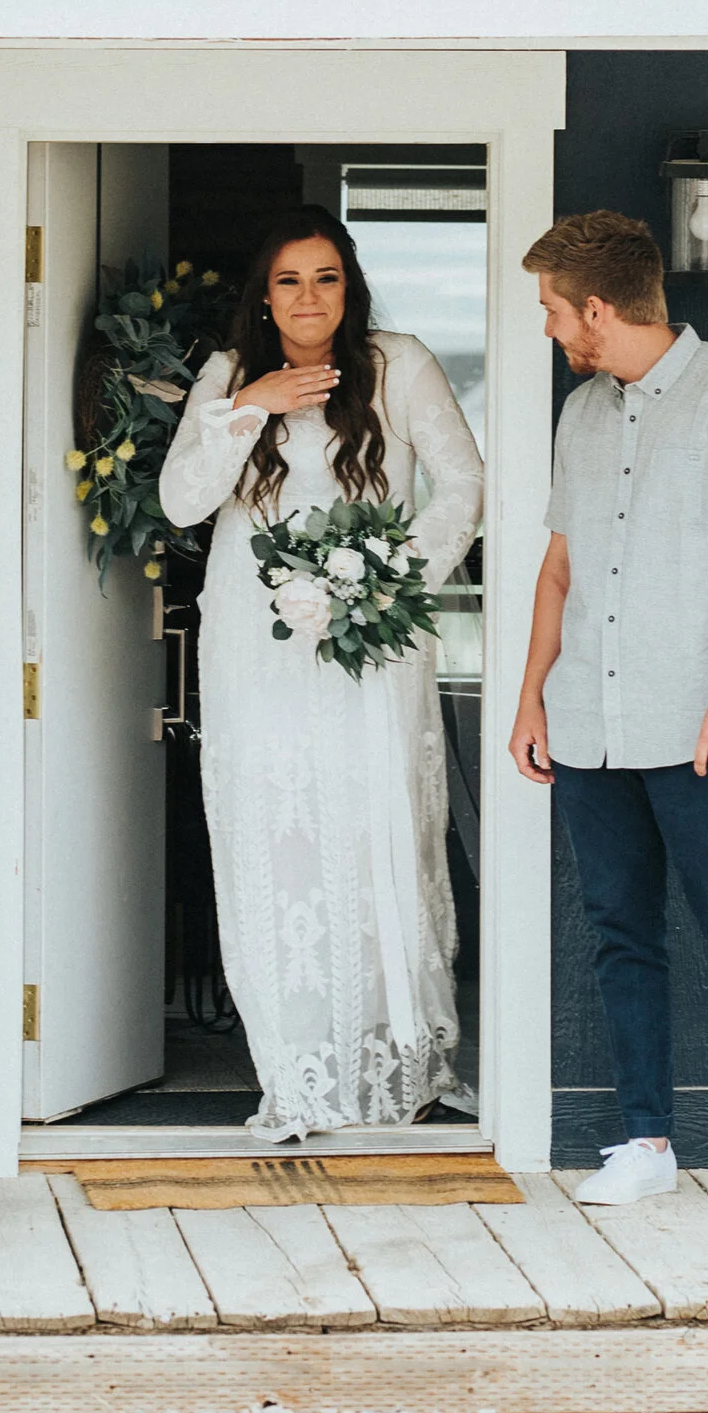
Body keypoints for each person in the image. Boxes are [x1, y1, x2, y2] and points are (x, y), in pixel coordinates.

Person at [506, 210, 708, 1216]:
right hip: (587, 721)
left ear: (596, 308)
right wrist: (529, 699)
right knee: (619, 932)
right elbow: (558, 566)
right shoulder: (583, 415)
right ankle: (644, 1141)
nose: (551, 330)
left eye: (554, 311)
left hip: (701, 724)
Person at [159, 207, 485, 1141]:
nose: (310, 297)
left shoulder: (398, 363)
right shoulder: (230, 378)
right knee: (278, 842)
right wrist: (251, 404)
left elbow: (462, 482)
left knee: (380, 834)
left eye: (327, 277)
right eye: (290, 280)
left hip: (371, 644)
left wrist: (388, 579)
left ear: (352, 285)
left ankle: (401, 1069)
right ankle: (298, 1077)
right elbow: (182, 497)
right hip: (256, 652)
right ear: (265, 294)